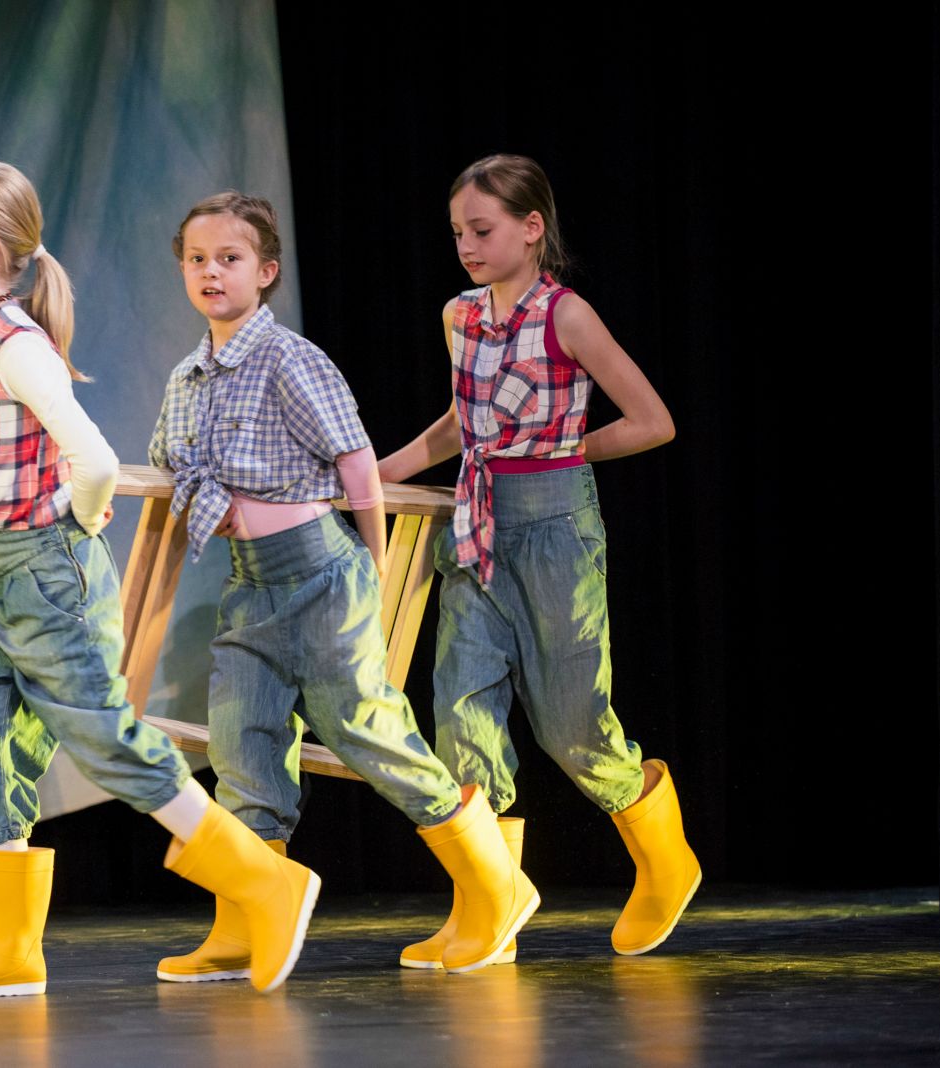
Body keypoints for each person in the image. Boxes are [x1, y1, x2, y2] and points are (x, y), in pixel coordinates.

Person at [0, 160, 317, 999]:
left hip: (44, 569)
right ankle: (6, 946)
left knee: (104, 739)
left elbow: (89, 458)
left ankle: (266, 880)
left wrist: (75, 525)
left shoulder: (16, 344)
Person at [149, 192, 537, 980]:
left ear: (266, 270)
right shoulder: (187, 376)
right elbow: (169, 465)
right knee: (240, 741)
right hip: (250, 586)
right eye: (197, 259)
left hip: (321, 572)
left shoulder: (290, 357)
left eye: (229, 258)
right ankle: (245, 914)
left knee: (365, 729)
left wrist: (370, 560)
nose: (211, 272)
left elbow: (356, 462)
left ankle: (495, 884)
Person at [379, 154, 701, 959]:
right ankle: (489, 903)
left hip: (554, 525)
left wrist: (563, 447)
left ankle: (666, 857)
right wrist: (372, 474)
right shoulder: (460, 316)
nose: (467, 246)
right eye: (458, 232)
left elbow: (652, 420)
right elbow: (459, 427)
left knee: (573, 727)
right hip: (476, 523)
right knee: (460, 713)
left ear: (531, 228)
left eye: (482, 230)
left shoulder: (567, 316)